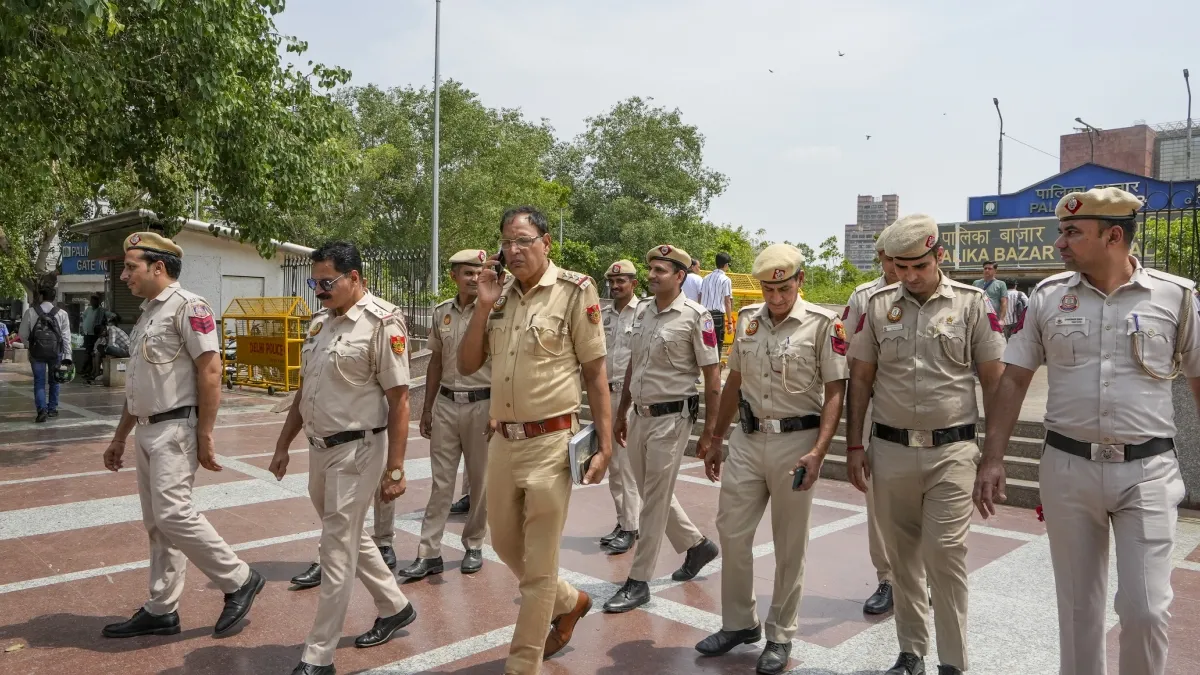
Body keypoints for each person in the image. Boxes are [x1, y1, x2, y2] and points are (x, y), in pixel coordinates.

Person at [975, 187, 1197, 675]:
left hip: (1148, 472)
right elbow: (1014, 379)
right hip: (1068, 469)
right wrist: (992, 459)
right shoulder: (1049, 297)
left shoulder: (1176, 297)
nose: (1060, 242)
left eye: (1073, 232)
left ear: (1113, 236)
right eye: (1062, 231)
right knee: (1079, 610)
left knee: (1146, 609)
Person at [845, 215, 1006, 675]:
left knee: (945, 554)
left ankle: (953, 663)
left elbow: (995, 382)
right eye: (899, 266)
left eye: (918, 265)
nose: (909, 276)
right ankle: (911, 652)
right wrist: (854, 447)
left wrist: (993, 456)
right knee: (902, 558)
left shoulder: (973, 304)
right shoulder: (876, 306)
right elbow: (861, 379)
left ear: (939, 256)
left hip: (952, 452)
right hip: (890, 449)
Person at [457, 205, 612, 674]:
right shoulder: (498, 295)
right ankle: (571, 601)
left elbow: (595, 372)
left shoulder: (574, 291)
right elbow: (466, 365)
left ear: (546, 242)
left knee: (539, 566)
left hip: (551, 442)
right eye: (507, 241)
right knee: (504, 544)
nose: (515, 249)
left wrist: (604, 446)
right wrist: (483, 306)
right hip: (503, 440)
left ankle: (523, 665)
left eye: (524, 240)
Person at [100, 232, 265, 640]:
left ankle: (239, 578)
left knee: (174, 514)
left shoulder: (189, 307)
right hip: (146, 428)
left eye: (130, 267)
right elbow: (137, 384)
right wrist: (120, 435)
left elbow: (211, 370)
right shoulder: (146, 315)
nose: (124, 275)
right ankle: (161, 608)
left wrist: (206, 434)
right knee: (158, 524)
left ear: (159, 267)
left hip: (176, 428)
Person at [696, 243, 848, 674]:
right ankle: (741, 623)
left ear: (800, 280)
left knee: (788, 544)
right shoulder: (746, 322)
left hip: (795, 444)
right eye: (767, 288)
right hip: (747, 439)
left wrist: (819, 451)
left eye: (783, 287)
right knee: (732, 531)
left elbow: (836, 391)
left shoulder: (822, 324)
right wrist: (715, 437)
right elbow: (734, 382)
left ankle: (780, 634)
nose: (775, 297)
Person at [268, 241, 416, 675]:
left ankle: (319, 654)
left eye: (326, 282)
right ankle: (395, 605)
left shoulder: (382, 323)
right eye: (315, 282)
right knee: (349, 534)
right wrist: (283, 444)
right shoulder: (320, 324)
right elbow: (304, 391)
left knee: (335, 548)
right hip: (319, 450)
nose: (319, 290)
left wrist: (396, 468)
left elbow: (400, 400)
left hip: (358, 450)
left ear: (354, 278)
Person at [603, 244, 721, 614]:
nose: (652, 275)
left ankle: (638, 581)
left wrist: (709, 433)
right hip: (637, 414)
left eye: (660, 270)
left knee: (652, 500)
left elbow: (713, 378)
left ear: (680, 277)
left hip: (672, 419)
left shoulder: (696, 317)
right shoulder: (642, 313)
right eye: (650, 269)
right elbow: (633, 365)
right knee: (650, 489)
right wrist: (621, 412)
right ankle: (697, 545)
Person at [401, 248, 491, 580]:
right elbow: (436, 362)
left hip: (484, 405)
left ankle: (474, 544)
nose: (473, 278)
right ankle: (429, 552)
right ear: (453, 276)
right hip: (447, 405)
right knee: (441, 483)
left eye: (478, 273)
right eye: (466, 273)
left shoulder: (494, 311)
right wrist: (426, 408)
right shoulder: (443, 314)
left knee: (481, 482)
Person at [842, 224, 899, 616]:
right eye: (890, 258)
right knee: (878, 500)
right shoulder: (865, 297)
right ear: (880, 258)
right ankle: (889, 579)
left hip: (924, 414)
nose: (897, 266)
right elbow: (845, 350)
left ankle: (920, 578)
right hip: (876, 409)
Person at [597, 259, 643, 554]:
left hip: (631, 398)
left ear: (633, 284)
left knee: (626, 466)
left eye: (621, 281)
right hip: (608, 395)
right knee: (613, 464)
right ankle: (623, 519)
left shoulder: (644, 314)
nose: (615, 286)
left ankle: (631, 526)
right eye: (612, 282)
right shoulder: (603, 316)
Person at [19, 287, 71, 422]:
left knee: (39, 382)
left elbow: (22, 334)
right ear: (54, 298)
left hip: (37, 353)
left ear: (41, 296)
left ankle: (41, 410)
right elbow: (66, 337)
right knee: (55, 381)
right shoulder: (62, 313)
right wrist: (68, 356)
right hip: (56, 352)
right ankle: (52, 409)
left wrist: (30, 345)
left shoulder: (30, 312)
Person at [699, 251, 734, 358]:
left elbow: (700, 297)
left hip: (705, 315)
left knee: (707, 344)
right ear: (726, 265)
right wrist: (730, 322)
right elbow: (727, 301)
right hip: (718, 316)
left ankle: (707, 372)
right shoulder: (725, 280)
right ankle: (716, 373)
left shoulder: (705, 278)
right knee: (718, 345)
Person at [972, 261, 1008, 330]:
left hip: (993, 318)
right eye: (985, 268)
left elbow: (1004, 302)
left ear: (995, 271)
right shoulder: (976, 283)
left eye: (989, 268)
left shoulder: (1001, 284)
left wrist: (1001, 319)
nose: (987, 270)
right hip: (977, 318)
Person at [80, 293, 103, 377]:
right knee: (88, 351)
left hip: (94, 335)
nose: (92, 302)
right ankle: (87, 369)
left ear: (97, 302)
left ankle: (87, 369)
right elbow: (84, 316)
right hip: (87, 333)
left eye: (94, 301)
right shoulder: (89, 309)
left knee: (91, 352)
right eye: (91, 301)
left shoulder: (100, 310)